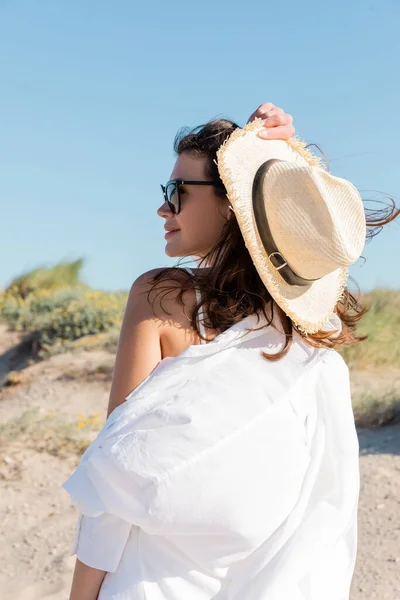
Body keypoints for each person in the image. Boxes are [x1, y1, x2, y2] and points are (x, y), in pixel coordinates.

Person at [62, 103, 399, 600]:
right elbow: (315, 534)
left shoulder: (161, 297)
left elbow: (115, 483)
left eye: (177, 192)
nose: (163, 208)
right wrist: (287, 161)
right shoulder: (310, 354)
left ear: (231, 204)